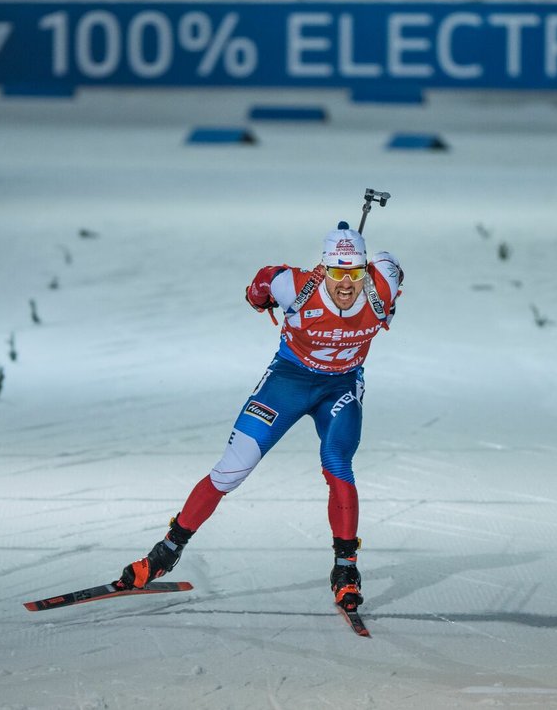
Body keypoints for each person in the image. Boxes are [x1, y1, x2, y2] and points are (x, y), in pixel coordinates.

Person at [117, 222, 403, 612]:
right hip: (288, 382)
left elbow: (391, 264)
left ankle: (345, 570)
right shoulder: (296, 286)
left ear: (365, 270)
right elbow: (262, 283)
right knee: (232, 470)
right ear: (324, 268)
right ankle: (165, 553)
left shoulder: (380, 285)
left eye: (355, 272)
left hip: (340, 387)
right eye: (337, 272)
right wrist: (260, 297)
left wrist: (390, 289)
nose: (347, 284)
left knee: (337, 462)